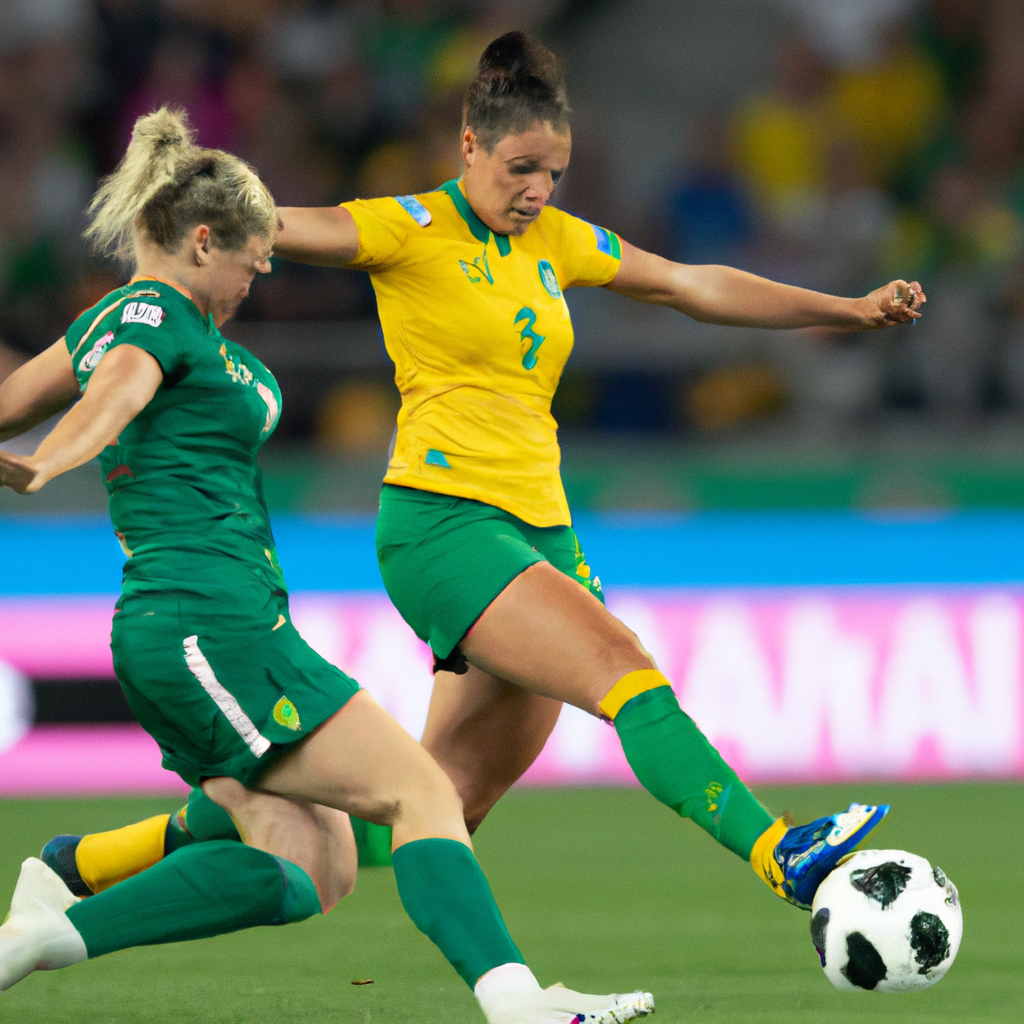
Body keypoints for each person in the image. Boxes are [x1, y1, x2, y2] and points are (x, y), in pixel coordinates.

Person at [39, 31, 921, 922]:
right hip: (445, 524)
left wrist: (844, 310)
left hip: (542, 531)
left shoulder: (561, 243)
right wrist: (181, 188)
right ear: (469, 146)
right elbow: (255, 227)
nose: (538, 189)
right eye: (521, 166)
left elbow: (694, 285)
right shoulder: (406, 229)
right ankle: (782, 855)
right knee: (625, 669)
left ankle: (80, 863)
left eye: (556, 173)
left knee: (430, 808)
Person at [0, 106, 656, 1024]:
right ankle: (515, 1000)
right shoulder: (154, 315)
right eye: (247, 261)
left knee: (314, 864)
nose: (259, 274)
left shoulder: (121, 323)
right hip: (208, 622)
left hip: (202, 629)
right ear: (198, 241)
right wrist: (48, 463)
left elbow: (17, 399)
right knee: (419, 790)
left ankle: (43, 918)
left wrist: (36, 442)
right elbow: (117, 392)